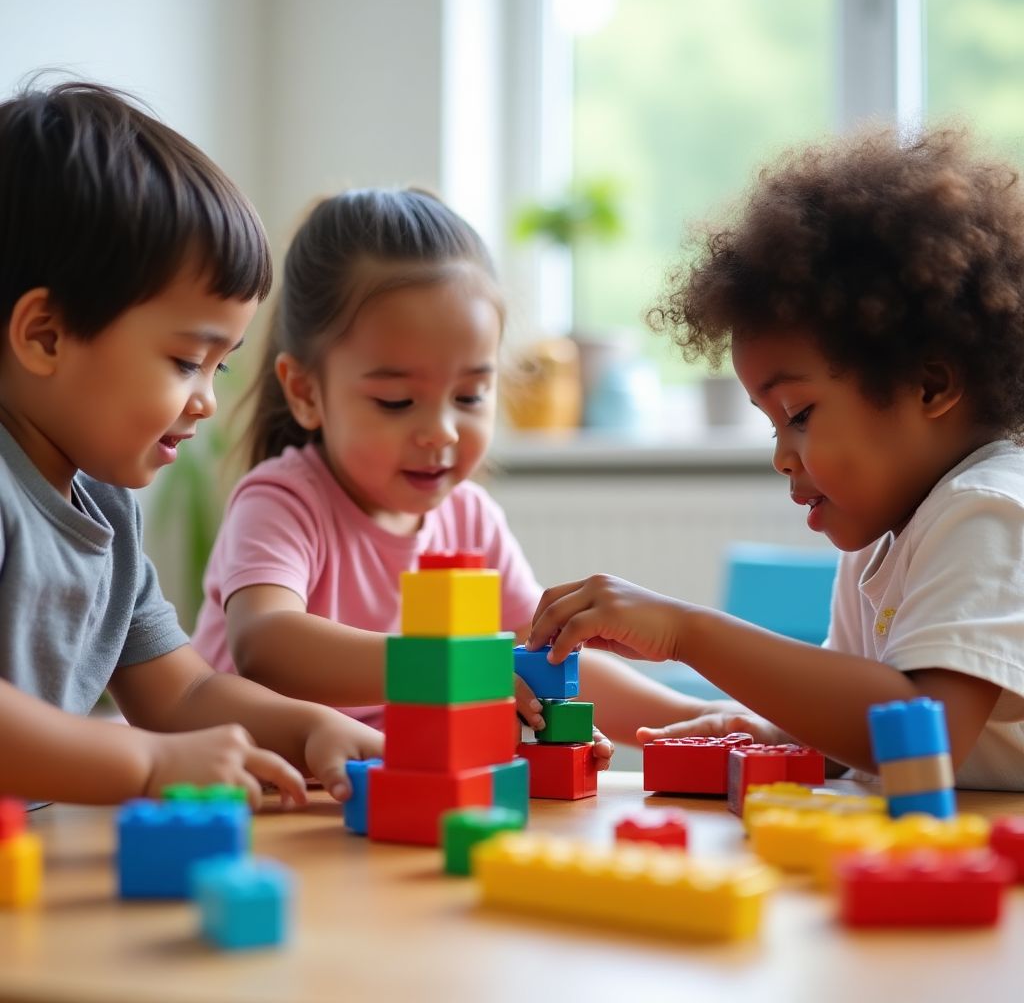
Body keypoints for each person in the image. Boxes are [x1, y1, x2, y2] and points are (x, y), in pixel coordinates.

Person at [528, 127, 1024, 791]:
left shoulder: (989, 510)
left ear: (929, 386)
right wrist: (771, 734)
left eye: (799, 415)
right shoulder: (880, 546)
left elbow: (919, 728)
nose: (783, 457)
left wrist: (687, 632)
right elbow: (852, 727)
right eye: (771, 429)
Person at [192, 187, 714, 760]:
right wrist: (452, 668)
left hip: (386, 793)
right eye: (395, 401)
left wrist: (695, 718)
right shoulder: (281, 499)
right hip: (257, 788)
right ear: (306, 391)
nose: (440, 431)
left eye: (469, 396)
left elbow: (542, 652)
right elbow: (267, 644)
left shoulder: (470, 518)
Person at [0, 81, 382, 809]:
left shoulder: (106, 510)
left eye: (222, 364)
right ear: (45, 336)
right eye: (185, 361)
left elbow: (184, 693)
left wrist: (310, 730)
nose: (207, 400)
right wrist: (147, 765)